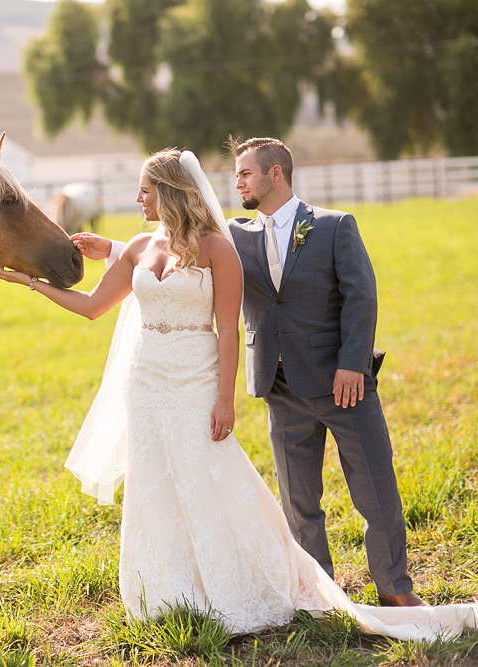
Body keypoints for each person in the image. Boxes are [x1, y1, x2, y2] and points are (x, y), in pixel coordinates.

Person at [0, 148, 477, 639]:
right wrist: (34, 280)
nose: (137, 198)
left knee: (281, 483)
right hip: (186, 385)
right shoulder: (181, 241)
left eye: (145, 189)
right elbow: (106, 295)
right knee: (208, 489)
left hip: (258, 381)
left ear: (170, 191)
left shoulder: (268, 239)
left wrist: (233, 396)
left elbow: (253, 323)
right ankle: (202, 588)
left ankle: (357, 585)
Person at [79, 138, 420, 608]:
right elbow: (178, 246)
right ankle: (317, 591)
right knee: (299, 503)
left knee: (374, 488)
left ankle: (395, 588)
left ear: (275, 173)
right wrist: (114, 247)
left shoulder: (333, 225)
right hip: (279, 386)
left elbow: (362, 297)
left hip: (342, 383)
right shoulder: (236, 235)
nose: (235, 182)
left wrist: (351, 364)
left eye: (244, 174)